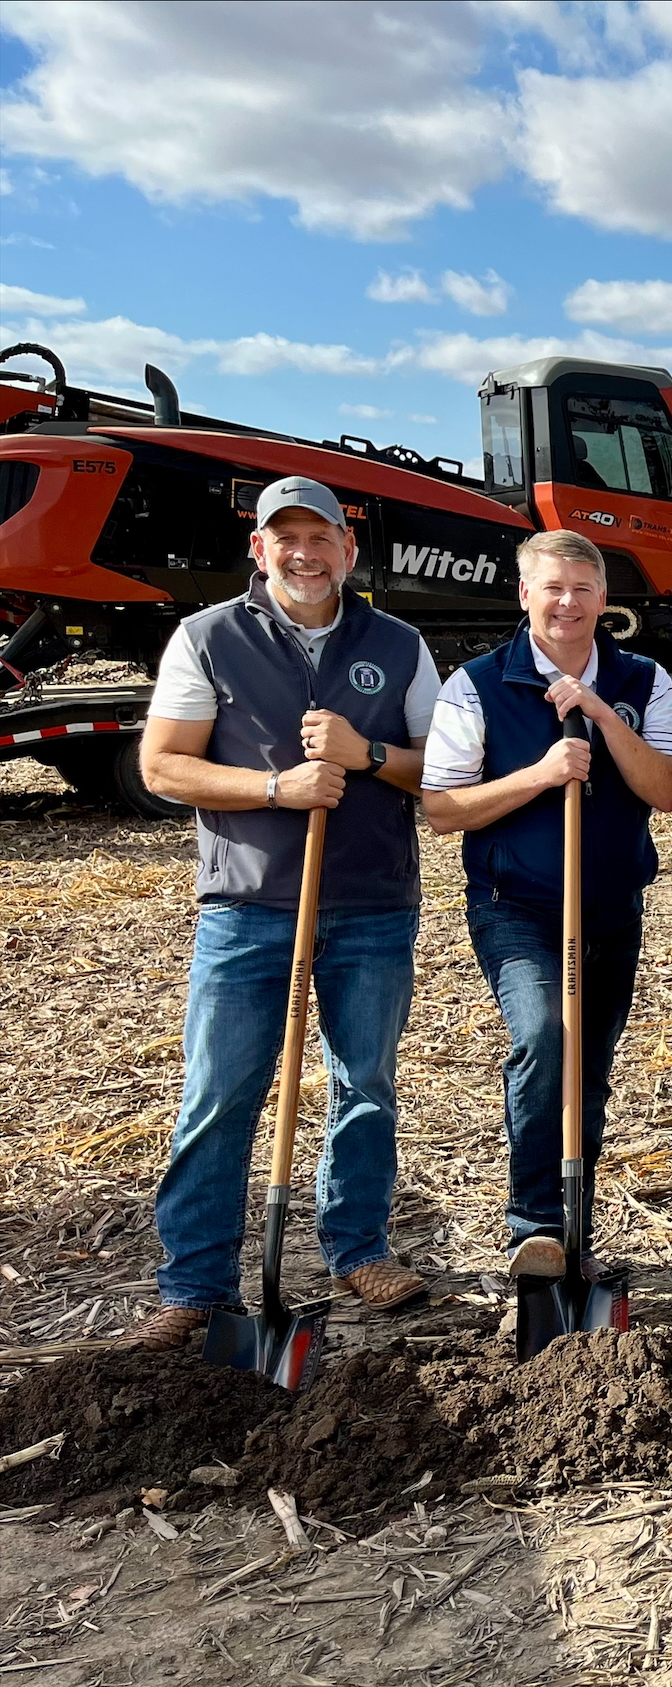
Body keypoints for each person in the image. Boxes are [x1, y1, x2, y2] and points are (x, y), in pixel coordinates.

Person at [124, 476, 439, 1347]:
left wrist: (365, 754)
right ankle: (194, 1285)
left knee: (364, 1086)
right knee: (221, 1094)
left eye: (321, 537)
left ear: (348, 548)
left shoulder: (401, 644)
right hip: (248, 904)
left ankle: (357, 1247)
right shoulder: (208, 638)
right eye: (284, 538)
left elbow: (441, 771)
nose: (304, 554)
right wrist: (276, 787)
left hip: (372, 903)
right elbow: (164, 766)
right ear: (258, 549)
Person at [422, 530, 672, 1279]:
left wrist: (605, 718)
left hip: (611, 904)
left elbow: (667, 790)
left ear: (604, 600)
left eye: (582, 589)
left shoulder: (644, 679)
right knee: (545, 1036)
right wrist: (541, 774)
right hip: (519, 907)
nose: (567, 602)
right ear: (524, 595)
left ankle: (576, 1227)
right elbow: (443, 810)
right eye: (552, 588)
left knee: (590, 1067)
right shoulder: (476, 683)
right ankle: (533, 1225)